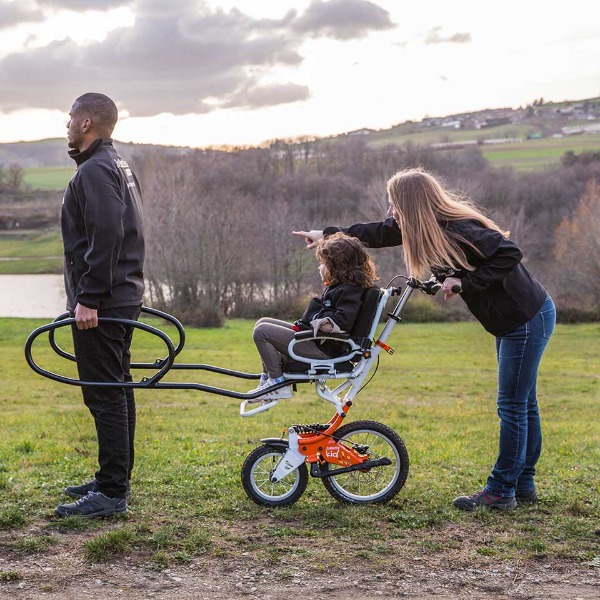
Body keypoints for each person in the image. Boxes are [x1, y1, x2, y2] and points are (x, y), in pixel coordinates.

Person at [294, 167, 556, 511]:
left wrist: (464, 282)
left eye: (394, 204)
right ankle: (523, 484)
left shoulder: (460, 229)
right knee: (524, 405)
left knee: (513, 407)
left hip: (524, 319)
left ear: (412, 205)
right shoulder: (424, 228)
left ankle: (502, 490)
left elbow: (509, 254)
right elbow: (376, 232)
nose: (390, 212)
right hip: (517, 321)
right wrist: (324, 234)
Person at [55, 93, 145, 518]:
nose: (67, 124)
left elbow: (106, 235)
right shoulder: (117, 165)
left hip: (105, 302)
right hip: (120, 296)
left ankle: (111, 492)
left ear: (86, 122)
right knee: (118, 388)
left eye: (71, 118)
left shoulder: (94, 170)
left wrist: (88, 299)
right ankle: (114, 478)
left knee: (105, 394)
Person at [249, 232, 378, 400]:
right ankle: (268, 379)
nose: (319, 267)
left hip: (325, 349)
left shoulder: (349, 291)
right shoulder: (344, 287)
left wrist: (319, 321)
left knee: (262, 332)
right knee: (263, 322)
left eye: (323, 264)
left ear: (338, 268)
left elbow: (342, 321)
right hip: (320, 341)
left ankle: (277, 382)